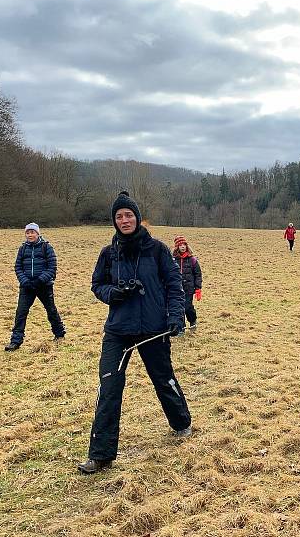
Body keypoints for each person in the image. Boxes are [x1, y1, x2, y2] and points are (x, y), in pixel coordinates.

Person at [78, 191, 191, 475]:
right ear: (114, 221)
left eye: (129, 215)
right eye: (119, 216)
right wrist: (113, 293)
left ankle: (181, 423)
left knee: (164, 380)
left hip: (153, 329)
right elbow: (97, 285)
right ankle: (100, 454)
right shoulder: (109, 253)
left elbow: (174, 285)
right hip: (118, 331)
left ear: (137, 218)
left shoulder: (157, 249)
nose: (124, 220)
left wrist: (175, 317)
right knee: (109, 388)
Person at [5, 223, 66, 351]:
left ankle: (59, 334)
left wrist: (40, 280)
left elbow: (52, 267)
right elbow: (18, 267)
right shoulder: (22, 249)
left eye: (32, 232)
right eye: (28, 233)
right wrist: (25, 281)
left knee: (51, 310)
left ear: (38, 234)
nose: (30, 235)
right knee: (21, 313)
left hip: (44, 286)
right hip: (26, 286)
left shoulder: (46, 247)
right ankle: (15, 341)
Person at [172, 235, 202, 331]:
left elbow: (198, 274)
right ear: (177, 247)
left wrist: (198, 288)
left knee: (187, 307)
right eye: (180, 245)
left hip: (189, 288)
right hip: (177, 289)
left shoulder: (192, 260)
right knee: (179, 309)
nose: (183, 247)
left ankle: (192, 321)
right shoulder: (172, 260)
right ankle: (182, 327)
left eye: (184, 244)